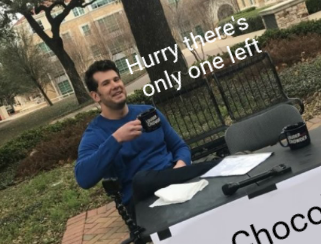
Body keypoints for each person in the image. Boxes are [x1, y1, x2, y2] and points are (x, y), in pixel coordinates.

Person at [74, 60, 216, 210]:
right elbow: (83, 178)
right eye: (106, 83)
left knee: (214, 178)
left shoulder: (147, 113)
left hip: (176, 182)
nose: (115, 85)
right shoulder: (95, 133)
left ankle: (216, 165)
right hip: (143, 201)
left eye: (116, 79)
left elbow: (179, 147)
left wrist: (180, 167)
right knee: (141, 180)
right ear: (96, 96)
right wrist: (116, 139)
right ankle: (209, 166)